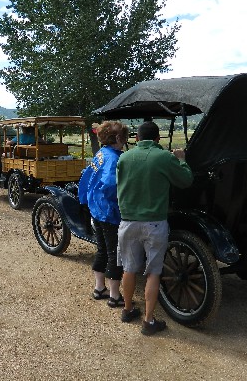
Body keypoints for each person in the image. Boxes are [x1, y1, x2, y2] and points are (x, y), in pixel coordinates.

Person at [116, 121, 193, 335]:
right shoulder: (164, 157)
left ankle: (128, 309)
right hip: (154, 222)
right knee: (153, 273)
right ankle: (149, 322)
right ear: (158, 139)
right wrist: (182, 160)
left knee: (129, 268)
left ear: (137, 138)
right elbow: (185, 181)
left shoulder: (124, 157)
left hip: (128, 221)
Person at [78, 121, 128, 308]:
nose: (125, 139)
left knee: (102, 250)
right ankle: (114, 296)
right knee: (115, 253)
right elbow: (110, 184)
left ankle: (99, 288)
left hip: (96, 208)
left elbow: (86, 177)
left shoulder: (101, 154)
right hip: (109, 211)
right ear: (117, 138)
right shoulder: (114, 158)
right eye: (124, 136)